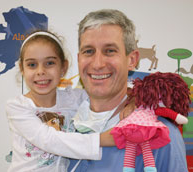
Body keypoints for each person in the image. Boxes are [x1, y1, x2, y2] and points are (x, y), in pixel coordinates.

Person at [68, 9, 188, 172]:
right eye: (88, 51)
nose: (97, 64)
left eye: (110, 51)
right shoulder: (62, 122)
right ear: (79, 59)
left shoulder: (160, 133)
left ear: (132, 60)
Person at [6, 30, 126, 172]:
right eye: (32, 65)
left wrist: (132, 100)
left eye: (49, 63)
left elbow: (108, 95)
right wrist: (102, 140)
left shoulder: (74, 98)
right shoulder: (18, 107)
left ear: (63, 67)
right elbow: (49, 140)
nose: (40, 71)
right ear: (22, 69)